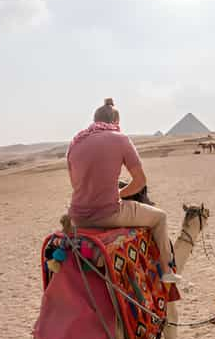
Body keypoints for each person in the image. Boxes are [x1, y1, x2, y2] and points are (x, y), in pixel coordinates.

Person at [67, 98, 181, 283]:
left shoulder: (75, 143)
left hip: (78, 216)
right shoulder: (119, 139)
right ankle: (167, 270)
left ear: (95, 120)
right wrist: (117, 194)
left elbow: (75, 184)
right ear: (116, 122)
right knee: (160, 217)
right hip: (108, 214)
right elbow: (140, 182)